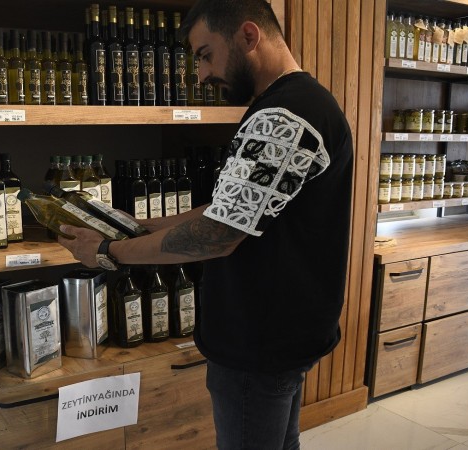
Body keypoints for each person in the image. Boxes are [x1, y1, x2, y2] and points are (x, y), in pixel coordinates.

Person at [58, 0, 353, 448]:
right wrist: (142, 225)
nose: (201, 75)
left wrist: (108, 252)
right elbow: (230, 209)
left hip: (259, 341)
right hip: (282, 334)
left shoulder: (282, 118)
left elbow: (219, 234)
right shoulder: (300, 105)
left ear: (248, 36)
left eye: (205, 55)